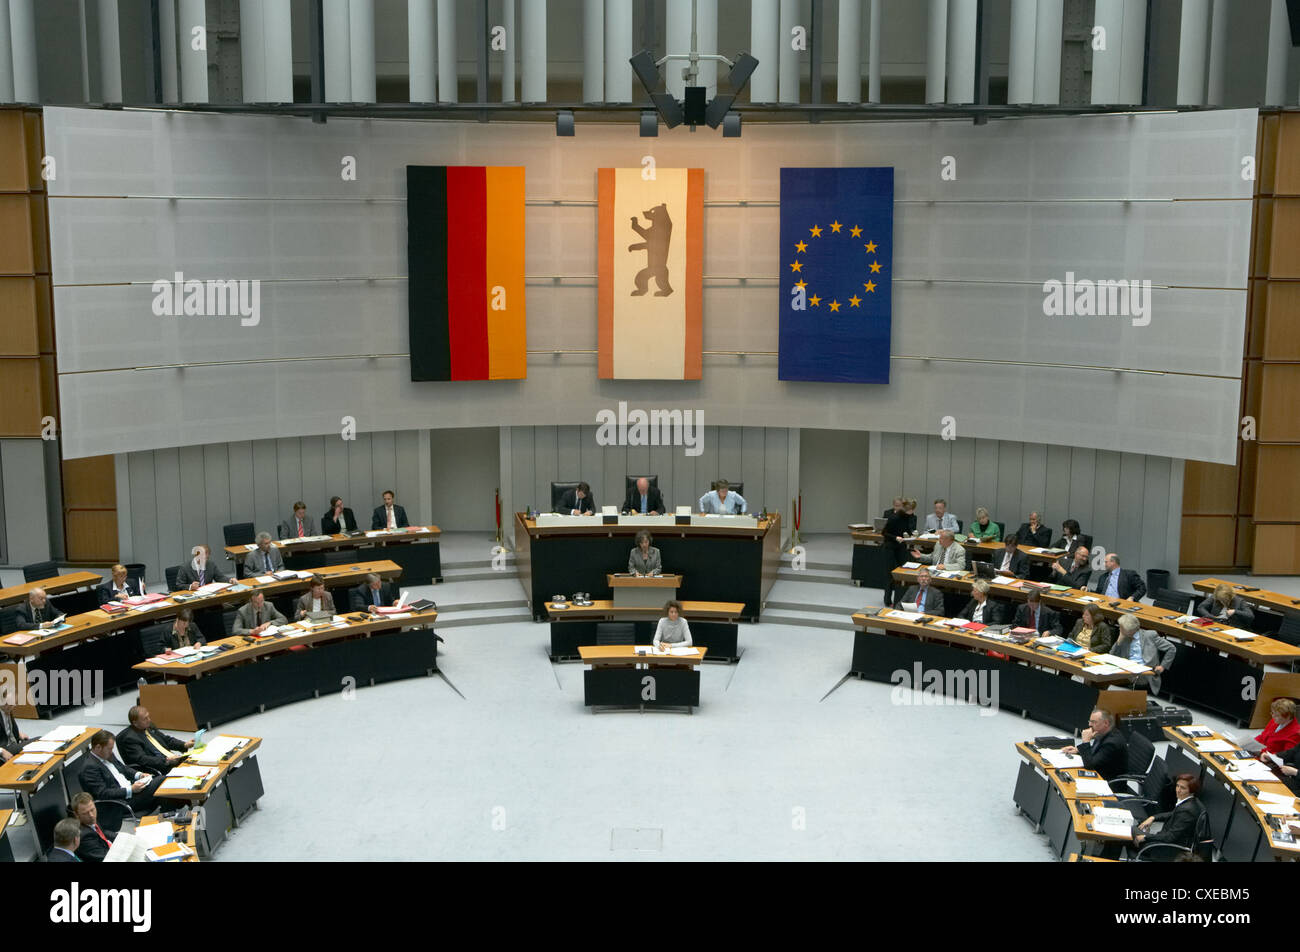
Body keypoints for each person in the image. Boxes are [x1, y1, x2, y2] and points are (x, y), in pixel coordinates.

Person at [80, 730, 165, 826]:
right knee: (161, 780)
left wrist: (139, 775)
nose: (112, 752)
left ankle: (174, 818)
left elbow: (123, 768)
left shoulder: (107, 754)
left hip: (132, 788)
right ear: (98, 747)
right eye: (109, 749)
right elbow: (103, 793)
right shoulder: (89, 768)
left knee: (165, 795)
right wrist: (131, 790)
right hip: (122, 802)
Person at [1134, 774, 1206, 854]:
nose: (1178, 790)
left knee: (1130, 832)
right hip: (1163, 840)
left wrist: (1145, 837)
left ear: (1191, 791)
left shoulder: (1187, 811)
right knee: (1132, 831)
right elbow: (1173, 814)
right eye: (1177, 786)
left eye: (1183, 788)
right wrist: (1153, 817)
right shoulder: (1191, 802)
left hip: (1165, 849)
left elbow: (1170, 837)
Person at [116, 705, 193, 774]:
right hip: (160, 768)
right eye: (145, 719)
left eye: (148, 717)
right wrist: (166, 761)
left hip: (173, 759)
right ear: (135, 723)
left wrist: (184, 744)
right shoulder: (130, 739)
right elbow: (142, 759)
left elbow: (166, 740)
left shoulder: (149, 726)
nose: (149, 720)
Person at [1111, 613, 1175, 695]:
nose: (1119, 629)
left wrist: (1163, 666)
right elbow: (1112, 655)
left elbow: (1171, 648)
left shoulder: (1150, 635)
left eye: (1121, 628)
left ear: (1130, 630)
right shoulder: (1124, 637)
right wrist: (1119, 641)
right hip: (1126, 669)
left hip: (1145, 671)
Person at [1062, 709, 1127, 781]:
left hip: (1108, 781)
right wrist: (1078, 750)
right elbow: (1097, 750)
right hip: (1100, 772)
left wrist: (1086, 741)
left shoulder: (1112, 743)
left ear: (1106, 723)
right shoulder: (1102, 732)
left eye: (1094, 722)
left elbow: (1090, 766)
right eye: (1090, 721)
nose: (1090, 725)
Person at [881, 499, 914, 604]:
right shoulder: (894, 518)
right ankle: (887, 599)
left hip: (900, 547)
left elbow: (906, 529)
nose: (912, 513)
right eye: (910, 510)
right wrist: (895, 538)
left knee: (903, 571)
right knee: (890, 574)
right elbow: (884, 533)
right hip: (890, 546)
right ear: (906, 509)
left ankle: (901, 599)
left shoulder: (907, 517)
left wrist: (911, 534)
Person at [70, 792, 114, 862]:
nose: (91, 815)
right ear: (76, 815)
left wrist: (121, 837)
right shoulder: (83, 836)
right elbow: (105, 857)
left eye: (92, 810)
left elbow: (103, 832)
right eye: (85, 813)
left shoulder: (88, 820)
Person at [0, 687, 29, 763]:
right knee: (37, 741)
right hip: (5, 748)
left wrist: (18, 733)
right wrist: (1, 751)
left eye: (13, 703)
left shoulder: (7, 709)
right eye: (8, 703)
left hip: (13, 743)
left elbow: (6, 729)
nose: (11, 706)